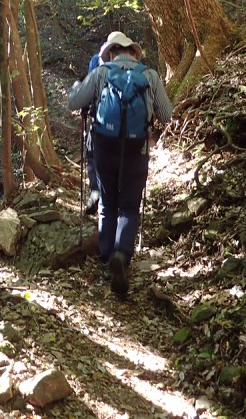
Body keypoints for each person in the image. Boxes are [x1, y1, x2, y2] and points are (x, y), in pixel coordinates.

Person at [67, 31, 172, 298]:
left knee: (108, 202)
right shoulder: (149, 76)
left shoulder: (102, 73)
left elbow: (73, 102)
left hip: (104, 145)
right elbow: (167, 114)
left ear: (111, 52)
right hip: (137, 147)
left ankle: (106, 259)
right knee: (129, 206)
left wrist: (77, 87)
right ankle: (122, 255)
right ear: (133, 52)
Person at [82, 49, 102, 215]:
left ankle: (95, 192)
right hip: (130, 130)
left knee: (92, 157)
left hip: (99, 128)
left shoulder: (96, 61)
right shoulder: (132, 71)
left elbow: (87, 93)